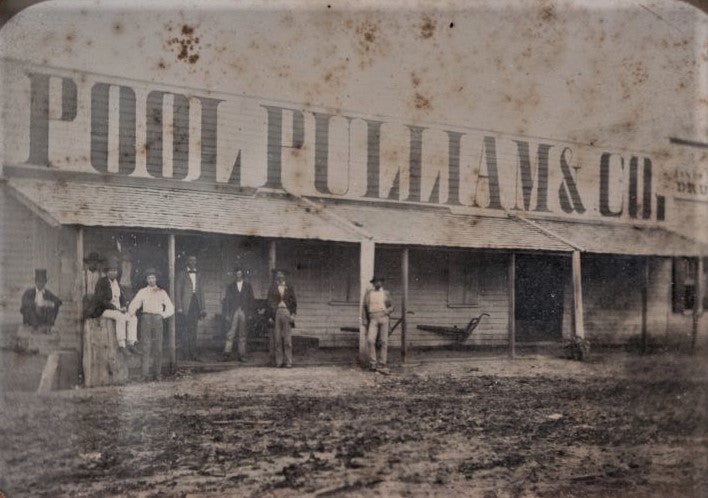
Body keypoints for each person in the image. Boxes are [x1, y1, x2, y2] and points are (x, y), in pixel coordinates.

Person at [128, 268, 174, 381]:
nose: (151, 280)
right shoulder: (142, 291)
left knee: (158, 346)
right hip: (146, 318)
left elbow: (170, 307)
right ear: (146, 279)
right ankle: (144, 374)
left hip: (157, 319)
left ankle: (157, 373)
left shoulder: (161, 292)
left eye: (153, 277)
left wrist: (163, 315)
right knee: (146, 345)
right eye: (149, 278)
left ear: (156, 279)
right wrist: (130, 314)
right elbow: (134, 304)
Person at [88, 256, 140, 354]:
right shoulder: (102, 282)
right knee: (120, 317)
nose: (113, 273)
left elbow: (122, 297)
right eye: (111, 270)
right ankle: (122, 345)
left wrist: (124, 306)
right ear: (107, 272)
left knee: (133, 318)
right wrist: (116, 308)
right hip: (104, 310)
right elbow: (100, 300)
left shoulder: (117, 283)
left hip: (117, 309)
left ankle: (131, 343)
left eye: (115, 270)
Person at [175, 255, 207, 361]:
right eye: (191, 260)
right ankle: (185, 354)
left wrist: (203, 308)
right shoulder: (182, 274)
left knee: (193, 330)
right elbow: (178, 291)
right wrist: (179, 306)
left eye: (194, 260)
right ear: (187, 262)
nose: (193, 262)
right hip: (185, 305)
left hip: (195, 304)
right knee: (185, 330)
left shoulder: (199, 275)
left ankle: (193, 353)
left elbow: (201, 292)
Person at [222, 267, 254, 362]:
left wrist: (250, 313)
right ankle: (226, 354)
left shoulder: (248, 286)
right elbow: (227, 300)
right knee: (231, 333)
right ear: (235, 275)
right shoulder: (230, 286)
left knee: (242, 334)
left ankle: (242, 354)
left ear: (242, 275)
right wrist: (227, 313)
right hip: (233, 311)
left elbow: (251, 300)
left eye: (240, 274)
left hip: (244, 311)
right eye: (236, 274)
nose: (238, 275)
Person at [363, 275, 394, 374]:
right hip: (373, 318)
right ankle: (373, 362)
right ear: (373, 283)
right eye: (376, 281)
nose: (378, 283)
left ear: (382, 283)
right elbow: (364, 307)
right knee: (370, 340)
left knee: (384, 341)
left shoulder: (386, 293)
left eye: (380, 281)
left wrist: (387, 311)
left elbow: (392, 306)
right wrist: (364, 319)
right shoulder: (369, 293)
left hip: (384, 317)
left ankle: (382, 363)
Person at [267, 269, 297, 368]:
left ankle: (288, 361)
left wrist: (293, 315)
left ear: (284, 276)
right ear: (276, 277)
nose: (279, 277)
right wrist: (270, 316)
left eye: (281, 275)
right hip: (276, 313)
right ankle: (279, 362)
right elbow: (269, 303)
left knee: (287, 340)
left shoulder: (289, 287)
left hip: (286, 312)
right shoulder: (272, 288)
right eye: (278, 275)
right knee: (277, 339)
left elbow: (294, 302)